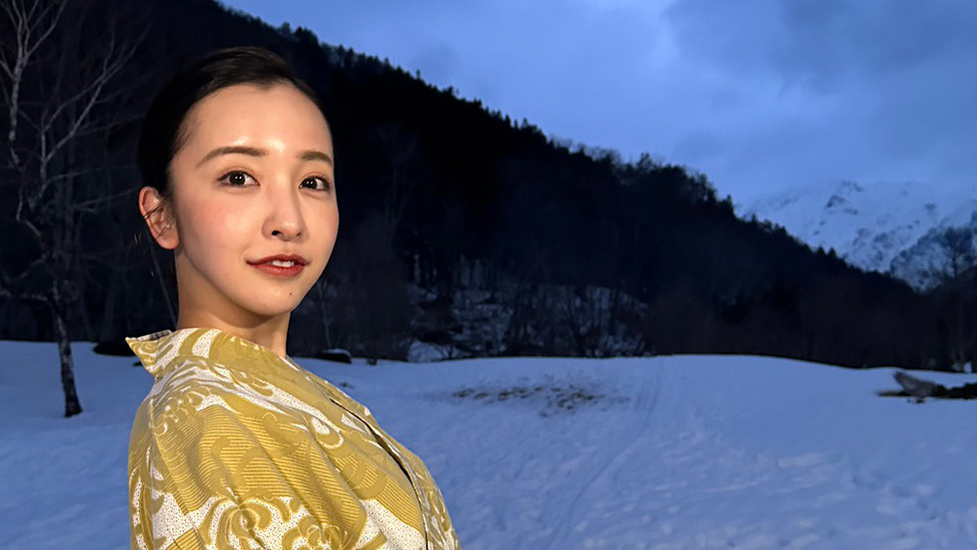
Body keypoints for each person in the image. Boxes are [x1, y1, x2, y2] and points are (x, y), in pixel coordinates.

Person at [127, 46, 460, 550]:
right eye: (238, 177)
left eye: (312, 181)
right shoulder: (202, 420)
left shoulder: (283, 390)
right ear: (162, 216)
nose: (290, 220)